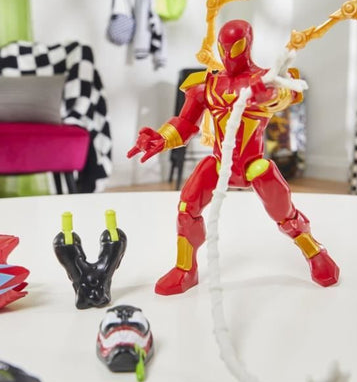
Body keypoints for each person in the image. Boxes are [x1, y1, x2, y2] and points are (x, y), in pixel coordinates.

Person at [128, 18, 339, 295]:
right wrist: (161, 138)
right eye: (223, 47)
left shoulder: (265, 79)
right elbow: (186, 123)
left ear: (247, 44)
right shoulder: (206, 83)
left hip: (253, 164)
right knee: (186, 207)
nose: (228, 54)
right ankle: (185, 268)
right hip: (219, 164)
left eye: (234, 46)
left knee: (284, 214)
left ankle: (314, 251)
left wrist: (268, 93)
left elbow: (284, 94)